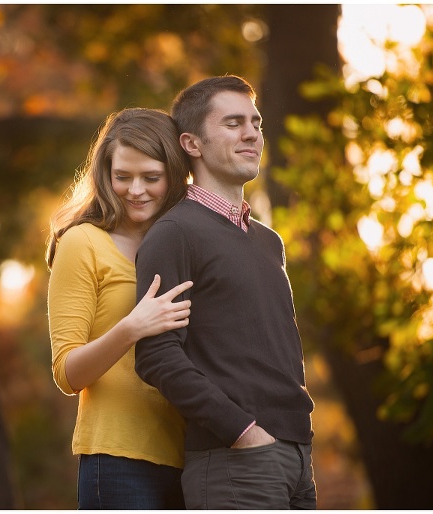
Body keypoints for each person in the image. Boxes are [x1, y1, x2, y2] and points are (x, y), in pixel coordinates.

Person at [134, 75, 317, 509]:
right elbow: (157, 354)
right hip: (234, 462)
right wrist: (242, 432)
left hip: (297, 457)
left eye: (255, 122)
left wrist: (291, 443)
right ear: (192, 144)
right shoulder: (175, 233)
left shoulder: (268, 241)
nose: (252, 132)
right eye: (233, 123)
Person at [46, 107, 194, 509]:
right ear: (105, 176)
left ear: (175, 175)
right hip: (118, 460)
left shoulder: (187, 244)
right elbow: (67, 372)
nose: (136, 190)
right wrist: (131, 327)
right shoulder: (84, 244)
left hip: (195, 458)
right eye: (122, 177)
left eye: (151, 177)